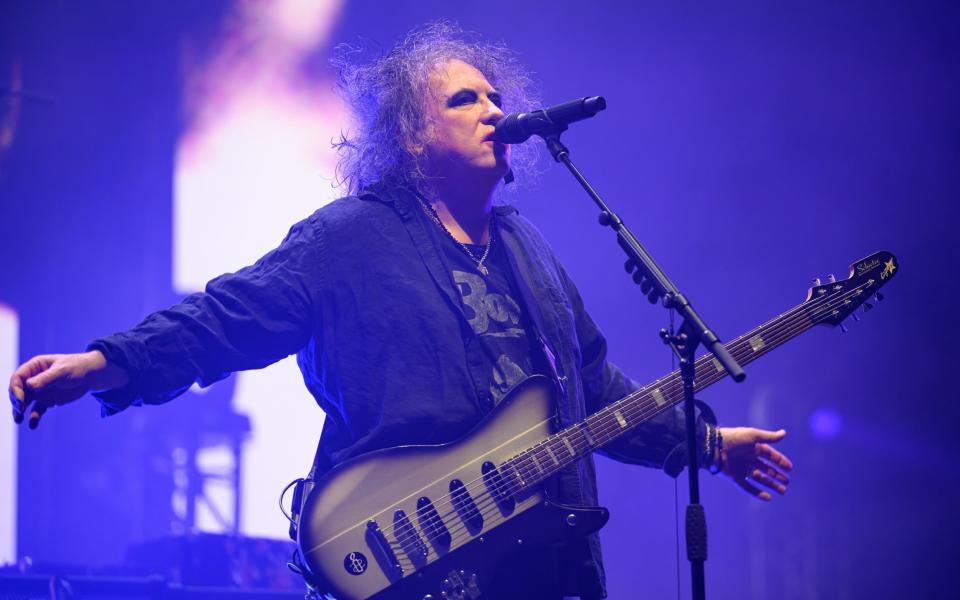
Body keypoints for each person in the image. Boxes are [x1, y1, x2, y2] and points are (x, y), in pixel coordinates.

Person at [8, 22, 792, 600]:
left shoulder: (533, 255)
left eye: (495, 97)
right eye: (464, 100)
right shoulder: (352, 237)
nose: (493, 110)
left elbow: (596, 391)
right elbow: (227, 317)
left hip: (549, 569)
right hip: (416, 562)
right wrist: (104, 363)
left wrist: (708, 441)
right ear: (413, 135)